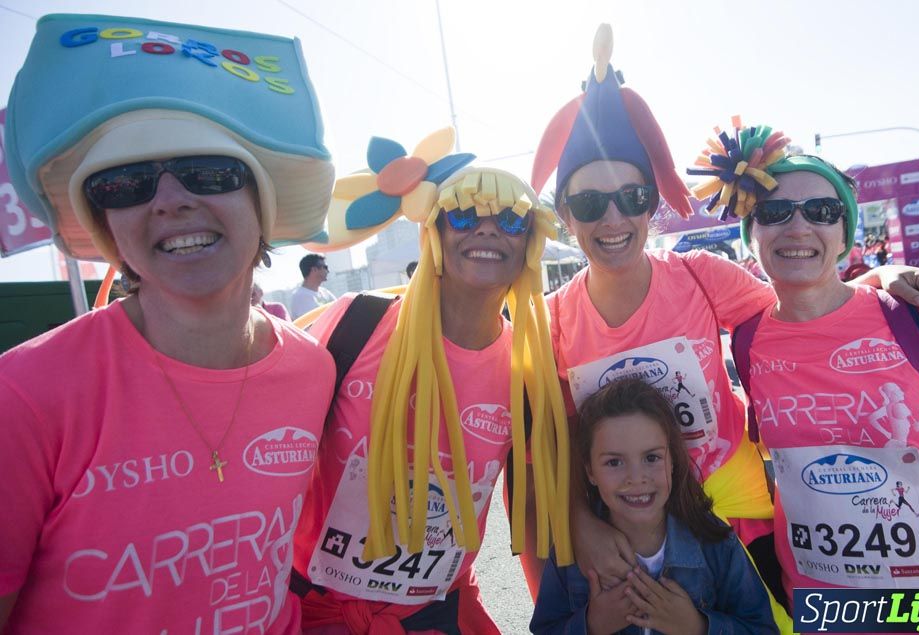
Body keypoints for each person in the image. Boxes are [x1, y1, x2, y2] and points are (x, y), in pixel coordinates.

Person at [530, 25, 919, 617]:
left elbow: (810, 308)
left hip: (735, 507)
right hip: (634, 522)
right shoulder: (550, 321)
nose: (612, 218)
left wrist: (884, 281)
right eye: (588, 203)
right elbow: (549, 449)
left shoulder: (700, 276)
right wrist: (580, 521)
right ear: (565, 216)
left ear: (653, 205)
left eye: (632, 198)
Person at [0, 15, 337, 633]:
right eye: (125, 184)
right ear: (107, 230)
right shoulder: (24, 393)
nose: (170, 199)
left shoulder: (312, 369)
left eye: (210, 172)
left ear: (259, 204)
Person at [705, 127, 919, 633]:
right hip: (831, 609)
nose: (798, 227)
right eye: (775, 212)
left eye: (821, 211)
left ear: (845, 232)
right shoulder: (748, 340)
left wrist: (890, 275)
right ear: (751, 235)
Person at [291, 129, 572, 634]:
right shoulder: (354, 324)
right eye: (463, 216)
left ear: (529, 244)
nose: (487, 232)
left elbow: (530, 512)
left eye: (509, 221)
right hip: (312, 613)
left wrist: (552, 617)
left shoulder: (529, 368)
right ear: (435, 234)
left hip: (435, 616)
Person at [530, 378, 778, 635]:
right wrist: (592, 624)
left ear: (672, 460)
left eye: (651, 458)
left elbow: (763, 628)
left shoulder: (716, 543)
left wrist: (697, 627)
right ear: (590, 471)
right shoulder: (569, 554)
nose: (636, 478)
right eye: (614, 462)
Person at [291, 253, 336, 319]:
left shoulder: (325, 292)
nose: (328, 271)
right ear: (314, 269)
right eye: (325, 267)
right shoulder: (300, 296)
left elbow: (340, 310)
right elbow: (312, 325)